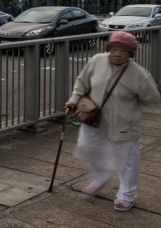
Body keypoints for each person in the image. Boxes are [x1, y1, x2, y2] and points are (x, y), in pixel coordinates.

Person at [65, 31, 160, 212]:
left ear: (130, 54)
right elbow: (82, 82)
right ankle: (101, 176)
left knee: (127, 159)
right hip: (93, 116)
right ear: (108, 49)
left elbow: (152, 97)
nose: (117, 54)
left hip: (124, 122)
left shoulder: (139, 74)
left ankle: (127, 195)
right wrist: (73, 99)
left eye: (123, 51)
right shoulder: (97, 60)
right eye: (114, 49)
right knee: (86, 147)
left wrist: (132, 103)